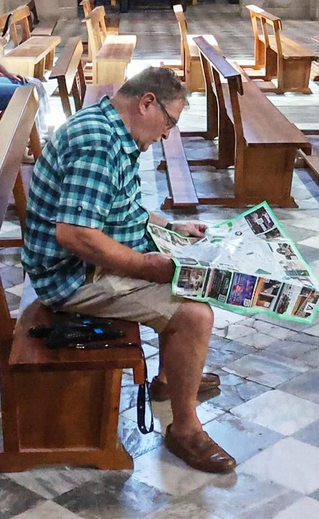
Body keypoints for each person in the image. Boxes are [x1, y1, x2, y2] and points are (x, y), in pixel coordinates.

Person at [22, 68, 234, 473]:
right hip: (71, 276)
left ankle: (171, 379)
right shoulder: (98, 142)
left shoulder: (114, 130)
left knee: (191, 272)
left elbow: (120, 209)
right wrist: (147, 266)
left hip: (84, 263)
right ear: (147, 103)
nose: (168, 134)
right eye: (170, 122)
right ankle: (185, 430)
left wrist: (169, 227)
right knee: (194, 314)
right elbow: (76, 235)